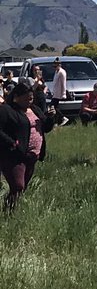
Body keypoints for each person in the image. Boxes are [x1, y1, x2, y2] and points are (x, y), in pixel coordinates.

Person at [0, 83, 47, 211]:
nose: (29, 101)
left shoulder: (35, 109)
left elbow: (46, 127)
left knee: (22, 187)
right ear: (16, 97)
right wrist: (11, 143)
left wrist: (51, 118)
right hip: (14, 155)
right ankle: (8, 211)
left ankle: (11, 211)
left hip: (33, 154)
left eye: (31, 98)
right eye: (26, 98)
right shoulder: (6, 110)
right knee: (18, 185)